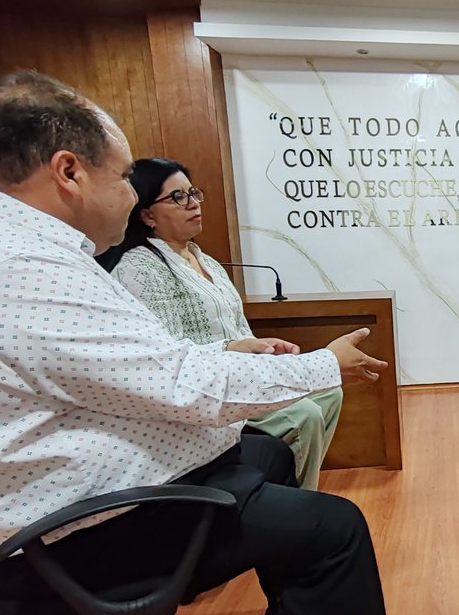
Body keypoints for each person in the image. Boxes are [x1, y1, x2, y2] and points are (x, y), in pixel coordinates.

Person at [0, 71, 458, 615]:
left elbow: (148, 368)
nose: (132, 195)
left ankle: (297, 604)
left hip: (47, 501)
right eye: (124, 178)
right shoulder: (10, 265)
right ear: (68, 172)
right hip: (61, 534)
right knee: (335, 529)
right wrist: (324, 365)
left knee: (264, 454)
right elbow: (177, 381)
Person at [111, 158, 343, 490]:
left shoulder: (205, 260)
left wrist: (265, 351)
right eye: (177, 198)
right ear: (148, 216)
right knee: (304, 415)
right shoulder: (140, 268)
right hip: (211, 387)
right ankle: (299, 500)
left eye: (193, 193)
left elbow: (239, 329)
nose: (193, 203)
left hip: (241, 371)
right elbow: (166, 358)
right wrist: (232, 349)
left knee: (328, 392)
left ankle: (287, 488)